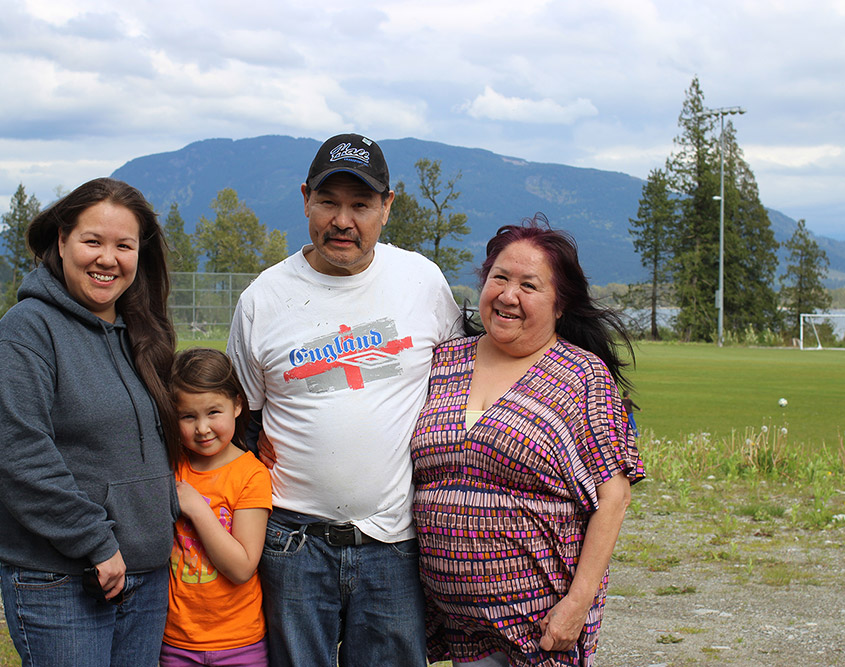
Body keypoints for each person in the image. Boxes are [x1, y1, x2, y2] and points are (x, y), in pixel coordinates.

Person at [226, 132, 463, 666]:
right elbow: (243, 419)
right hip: (292, 541)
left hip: (395, 542)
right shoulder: (263, 299)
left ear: (387, 208)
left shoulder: (421, 282)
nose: (343, 221)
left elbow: (460, 387)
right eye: (329, 202)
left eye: (361, 205)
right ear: (306, 198)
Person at [410, 216, 645, 667]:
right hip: (457, 624)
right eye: (499, 277)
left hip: (539, 629)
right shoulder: (444, 360)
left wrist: (576, 606)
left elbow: (613, 497)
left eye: (529, 286)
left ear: (560, 305)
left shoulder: (581, 377)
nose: (508, 295)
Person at [0, 177, 181, 666]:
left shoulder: (139, 335)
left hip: (146, 574)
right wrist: (95, 543)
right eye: (93, 241)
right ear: (62, 241)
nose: (108, 259)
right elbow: (19, 460)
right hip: (64, 580)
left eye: (123, 245)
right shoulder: (23, 336)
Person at [162, 347, 272, 667]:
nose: (202, 428)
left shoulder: (251, 475)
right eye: (188, 416)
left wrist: (196, 508)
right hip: (177, 641)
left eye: (213, 412)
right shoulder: (171, 467)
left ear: (237, 405)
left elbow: (241, 568)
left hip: (240, 642)